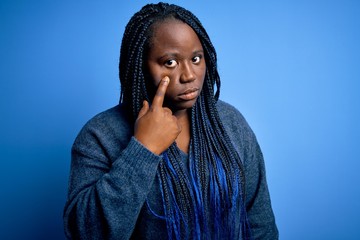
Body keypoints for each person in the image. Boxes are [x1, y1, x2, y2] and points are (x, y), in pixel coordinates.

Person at [63, 2, 278, 239]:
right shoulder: (100, 136)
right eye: (170, 62)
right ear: (140, 65)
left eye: (196, 59)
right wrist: (143, 148)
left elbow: (260, 223)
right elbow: (84, 233)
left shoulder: (230, 123)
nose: (189, 75)